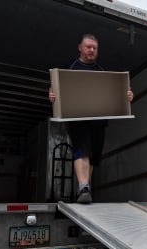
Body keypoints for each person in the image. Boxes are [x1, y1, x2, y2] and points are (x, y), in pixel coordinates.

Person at [49, 34, 133, 204]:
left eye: (94, 48)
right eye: (88, 47)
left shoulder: (103, 72)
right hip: (78, 119)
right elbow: (54, 86)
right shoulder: (69, 68)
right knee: (82, 150)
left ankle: (85, 188)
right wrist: (51, 94)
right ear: (80, 47)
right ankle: (83, 186)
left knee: (93, 156)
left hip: (99, 122)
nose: (91, 50)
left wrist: (127, 96)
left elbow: (116, 94)